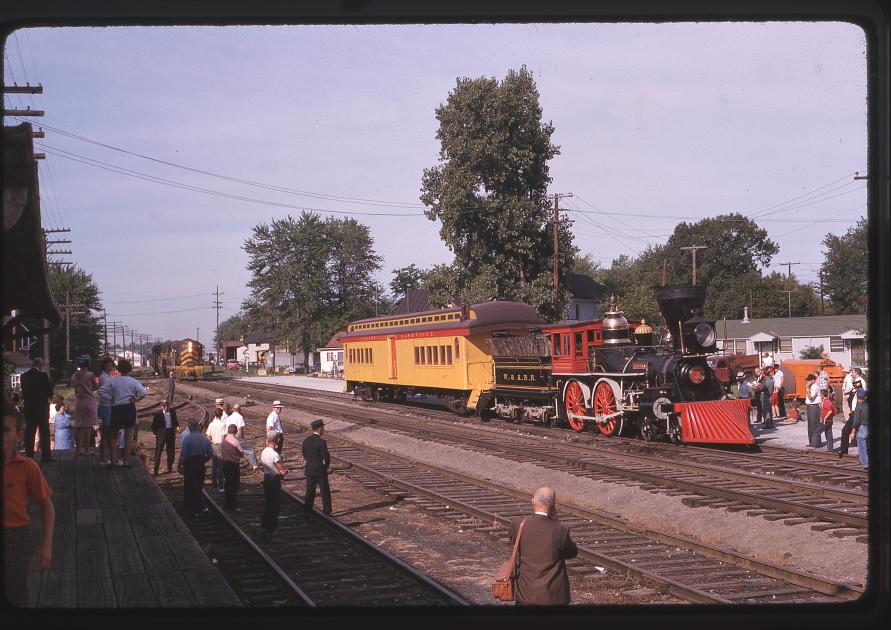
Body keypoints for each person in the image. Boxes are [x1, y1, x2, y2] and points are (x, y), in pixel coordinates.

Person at [4, 399, 55, 607]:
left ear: (18, 435)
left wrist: (46, 544)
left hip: (15, 537)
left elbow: (46, 505)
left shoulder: (27, 467)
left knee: (17, 594)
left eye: (5, 429)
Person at [509, 486, 578, 605]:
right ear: (554, 505)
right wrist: (556, 523)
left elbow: (514, 545)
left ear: (533, 501)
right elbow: (572, 553)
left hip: (525, 595)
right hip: (553, 597)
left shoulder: (518, 525)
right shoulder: (560, 531)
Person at [97, 359, 146, 467]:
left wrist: (110, 398)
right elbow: (143, 392)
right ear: (129, 369)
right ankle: (126, 462)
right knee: (128, 436)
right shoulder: (133, 381)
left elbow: (101, 391)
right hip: (129, 408)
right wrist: (136, 399)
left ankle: (114, 460)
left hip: (116, 409)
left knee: (113, 436)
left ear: (119, 369)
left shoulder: (113, 380)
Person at [20, 358, 54, 462]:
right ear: (39, 365)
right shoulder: (43, 376)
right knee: (44, 432)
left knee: (30, 432)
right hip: (41, 408)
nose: (43, 366)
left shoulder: (24, 376)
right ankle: (46, 456)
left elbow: (24, 392)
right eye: (42, 364)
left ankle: (29, 455)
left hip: (29, 408)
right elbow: (49, 392)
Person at [177, 419, 213, 517]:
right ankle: (199, 506)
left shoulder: (187, 439)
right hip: (200, 464)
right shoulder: (205, 439)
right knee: (199, 485)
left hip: (190, 464)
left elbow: (183, 455)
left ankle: (190, 506)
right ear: (198, 427)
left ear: (189, 428)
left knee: (189, 486)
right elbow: (210, 454)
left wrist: (179, 465)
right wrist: (203, 460)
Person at [69, 355, 98, 456]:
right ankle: (87, 449)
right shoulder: (90, 375)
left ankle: (78, 449)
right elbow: (95, 387)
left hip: (79, 402)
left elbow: (74, 387)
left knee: (79, 426)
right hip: (89, 401)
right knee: (87, 427)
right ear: (88, 364)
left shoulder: (74, 376)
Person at [260, 430, 288, 536]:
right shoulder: (275, 455)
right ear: (276, 440)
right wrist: (285, 471)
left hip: (266, 478)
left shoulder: (264, 451)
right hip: (274, 480)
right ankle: (272, 528)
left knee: (268, 503)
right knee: (274, 505)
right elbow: (282, 470)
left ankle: (264, 525)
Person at [302, 418, 332, 515]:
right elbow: (326, 458)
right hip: (320, 470)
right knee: (324, 491)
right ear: (319, 429)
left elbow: (305, 455)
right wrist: (326, 467)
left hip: (309, 470)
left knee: (310, 492)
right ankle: (327, 510)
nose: (323, 429)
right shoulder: (322, 442)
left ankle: (307, 510)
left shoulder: (306, 441)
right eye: (322, 427)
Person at [838, 368, 866, 457]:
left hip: (856, 410)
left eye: (853, 372)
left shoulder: (859, 381)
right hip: (855, 409)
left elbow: (858, 395)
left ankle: (843, 450)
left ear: (857, 373)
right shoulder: (859, 381)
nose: (851, 373)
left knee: (845, 430)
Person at [151, 399, 180, 476]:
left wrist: (177, 426)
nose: (165, 408)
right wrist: (157, 434)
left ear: (168, 406)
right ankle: (155, 470)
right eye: (164, 406)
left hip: (170, 433)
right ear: (161, 406)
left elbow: (175, 421)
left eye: (166, 406)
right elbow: (153, 426)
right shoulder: (158, 414)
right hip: (161, 434)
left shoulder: (172, 412)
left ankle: (169, 467)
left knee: (170, 451)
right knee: (158, 452)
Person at [97, 357, 116, 465]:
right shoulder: (104, 378)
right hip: (106, 406)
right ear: (104, 366)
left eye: (111, 365)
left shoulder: (107, 376)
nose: (110, 367)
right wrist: (112, 398)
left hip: (107, 405)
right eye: (108, 365)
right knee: (106, 433)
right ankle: (103, 457)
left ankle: (104, 457)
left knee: (107, 433)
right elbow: (102, 392)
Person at [228, 403, 258, 469]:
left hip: (229, 436)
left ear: (233, 409)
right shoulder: (240, 417)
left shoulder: (229, 417)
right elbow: (240, 429)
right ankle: (255, 465)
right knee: (249, 450)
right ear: (239, 410)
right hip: (237, 435)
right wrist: (242, 438)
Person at [221, 424, 244, 511]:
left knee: (227, 484)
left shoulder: (224, 440)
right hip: (233, 465)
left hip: (225, 464)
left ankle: (227, 505)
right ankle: (232, 506)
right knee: (234, 486)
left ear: (228, 431)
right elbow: (241, 454)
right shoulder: (236, 442)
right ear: (236, 431)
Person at [206, 408, 226, 491]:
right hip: (220, 446)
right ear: (221, 415)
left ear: (215, 414)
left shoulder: (211, 424)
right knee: (220, 467)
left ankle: (214, 486)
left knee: (214, 467)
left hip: (213, 445)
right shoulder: (223, 424)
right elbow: (223, 437)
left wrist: (212, 441)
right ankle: (221, 486)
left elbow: (208, 436)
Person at [804, 374, 824, 448]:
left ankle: (816, 443)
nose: (807, 381)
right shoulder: (811, 387)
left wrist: (807, 389)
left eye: (809, 380)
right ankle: (812, 442)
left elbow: (810, 397)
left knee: (814, 425)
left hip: (814, 407)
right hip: (809, 407)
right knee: (810, 426)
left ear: (813, 380)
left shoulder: (815, 387)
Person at [852, 389, 869, 469]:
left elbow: (856, 421)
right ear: (865, 397)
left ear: (857, 397)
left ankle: (866, 464)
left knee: (862, 447)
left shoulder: (858, 407)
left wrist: (853, 432)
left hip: (862, 428)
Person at [818, 388, 836, 453]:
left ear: (823, 395)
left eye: (820, 394)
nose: (820, 395)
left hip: (827, 420)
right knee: (828, 434)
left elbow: (830, 411)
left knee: (828, 434)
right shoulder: (825, 401)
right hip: (828, 420)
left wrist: (825, 418)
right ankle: (830, 449)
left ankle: (830, 449)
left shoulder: (827, 402)